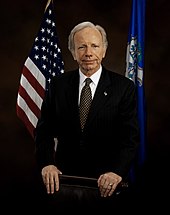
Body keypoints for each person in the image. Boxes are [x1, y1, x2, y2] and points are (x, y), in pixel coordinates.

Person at [34, 21, 139, 212]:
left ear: (104, 50)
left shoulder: (124, 88)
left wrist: (117, 172)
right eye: (81, 47)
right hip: (63, 183)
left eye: (94, 46)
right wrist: (47, 163)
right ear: (73, 52)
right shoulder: (58, 85)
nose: (88, 53)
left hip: (105, 184)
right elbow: (44, 132)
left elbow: (130, 140)